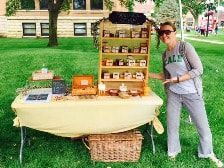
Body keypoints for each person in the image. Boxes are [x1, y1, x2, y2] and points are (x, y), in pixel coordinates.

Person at [149, 21, 223, 167]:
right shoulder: (165, 54)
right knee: (172, 124)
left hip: (191, 92)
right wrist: (146, 74)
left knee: (202, 125)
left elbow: (198, 69)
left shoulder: (184, 47)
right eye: (161, 33)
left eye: (167, 32)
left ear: (174, 32)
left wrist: (178, 79)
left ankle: (207, 153)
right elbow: (165, 76)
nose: (164, 35)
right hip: (174, 94)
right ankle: (173, 151)